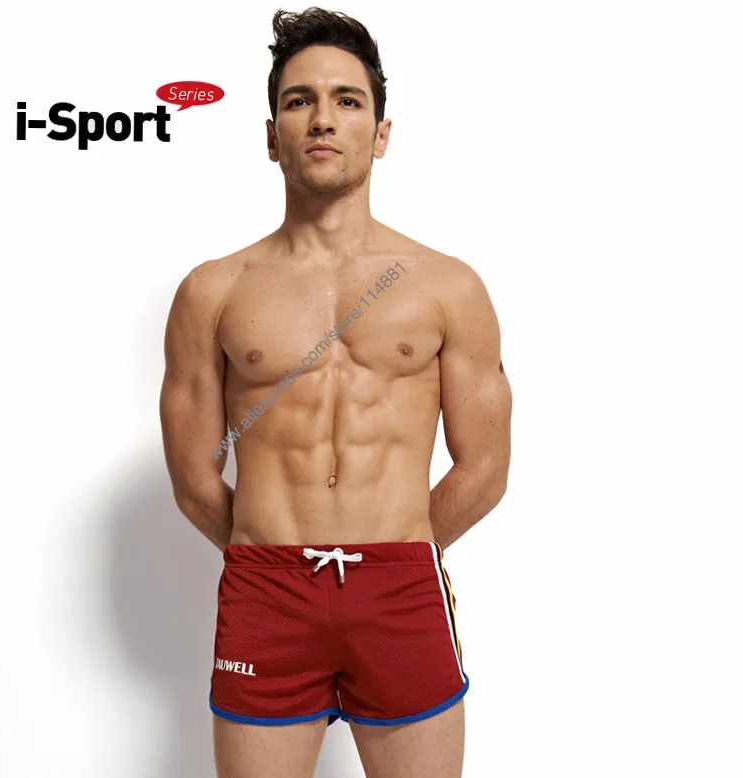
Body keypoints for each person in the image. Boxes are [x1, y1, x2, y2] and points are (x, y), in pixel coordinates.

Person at [159, 7, 512, 777]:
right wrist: (267, 551)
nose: (323, 118)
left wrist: (399, 551)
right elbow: (191, 478)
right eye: (300, 100)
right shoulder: (214, 291)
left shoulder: (448, 286)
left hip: (402, 589)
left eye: (347, 100)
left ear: (381, 134)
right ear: (270, 134)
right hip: (265, 593)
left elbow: (485, 467)